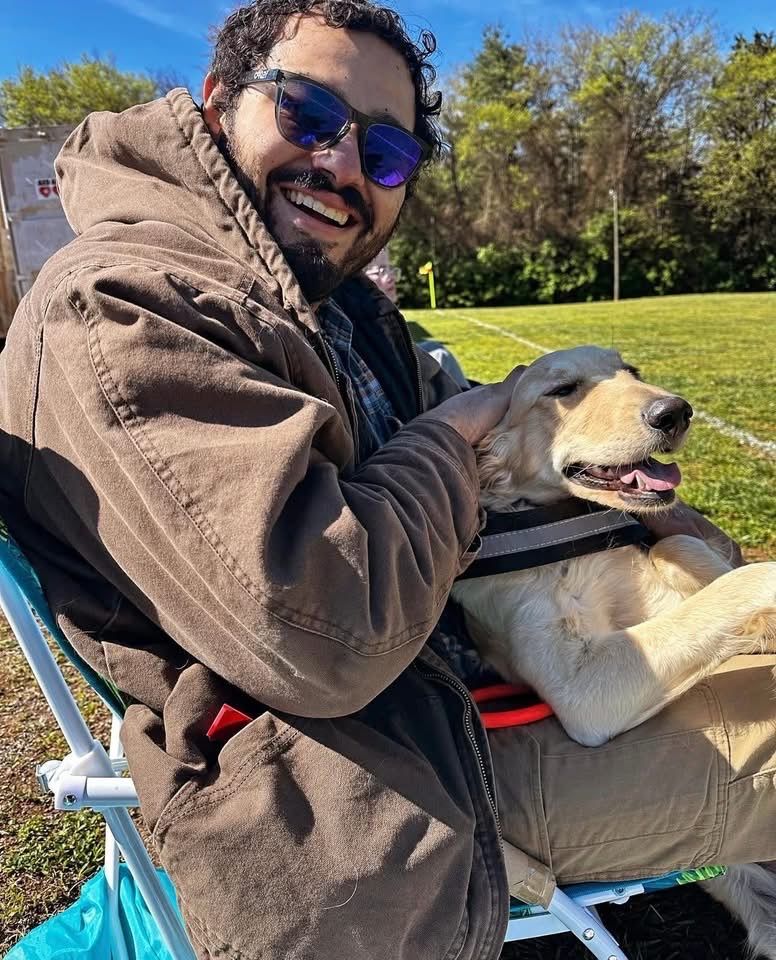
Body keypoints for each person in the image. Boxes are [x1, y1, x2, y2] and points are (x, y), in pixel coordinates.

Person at [0, 3, 774, 959]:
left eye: (389, 153)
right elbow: (322, 633)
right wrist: (456, 429)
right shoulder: (122, 313)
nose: (343, 166)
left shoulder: (330, 308)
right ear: (217, 103)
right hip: (363, 794)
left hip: (453, 703)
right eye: (309, 115)